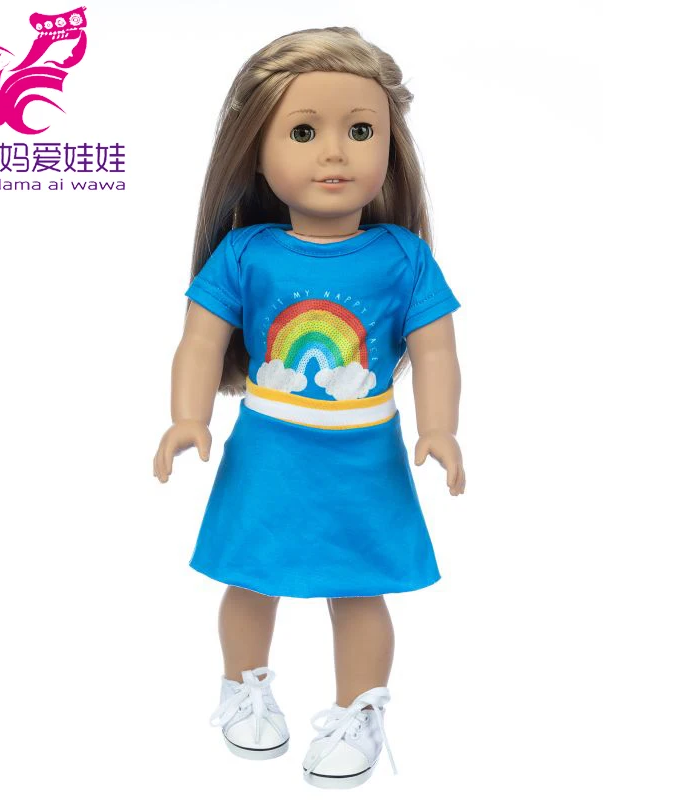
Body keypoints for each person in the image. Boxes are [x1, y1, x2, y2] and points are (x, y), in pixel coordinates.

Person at [153, 26, 466, 789]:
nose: (335, 153)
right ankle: (243, 686)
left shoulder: (402, 256)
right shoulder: (247, 252)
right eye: (303, 132)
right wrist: (188, 416)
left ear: (391, 144)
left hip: (366, 458)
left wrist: (440, 428)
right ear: (256, 152)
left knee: (358, 587)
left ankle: (360, 708)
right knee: (250, 576)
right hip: (268, 451)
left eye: (360, 131)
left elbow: (435, 350)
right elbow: (200, 338)